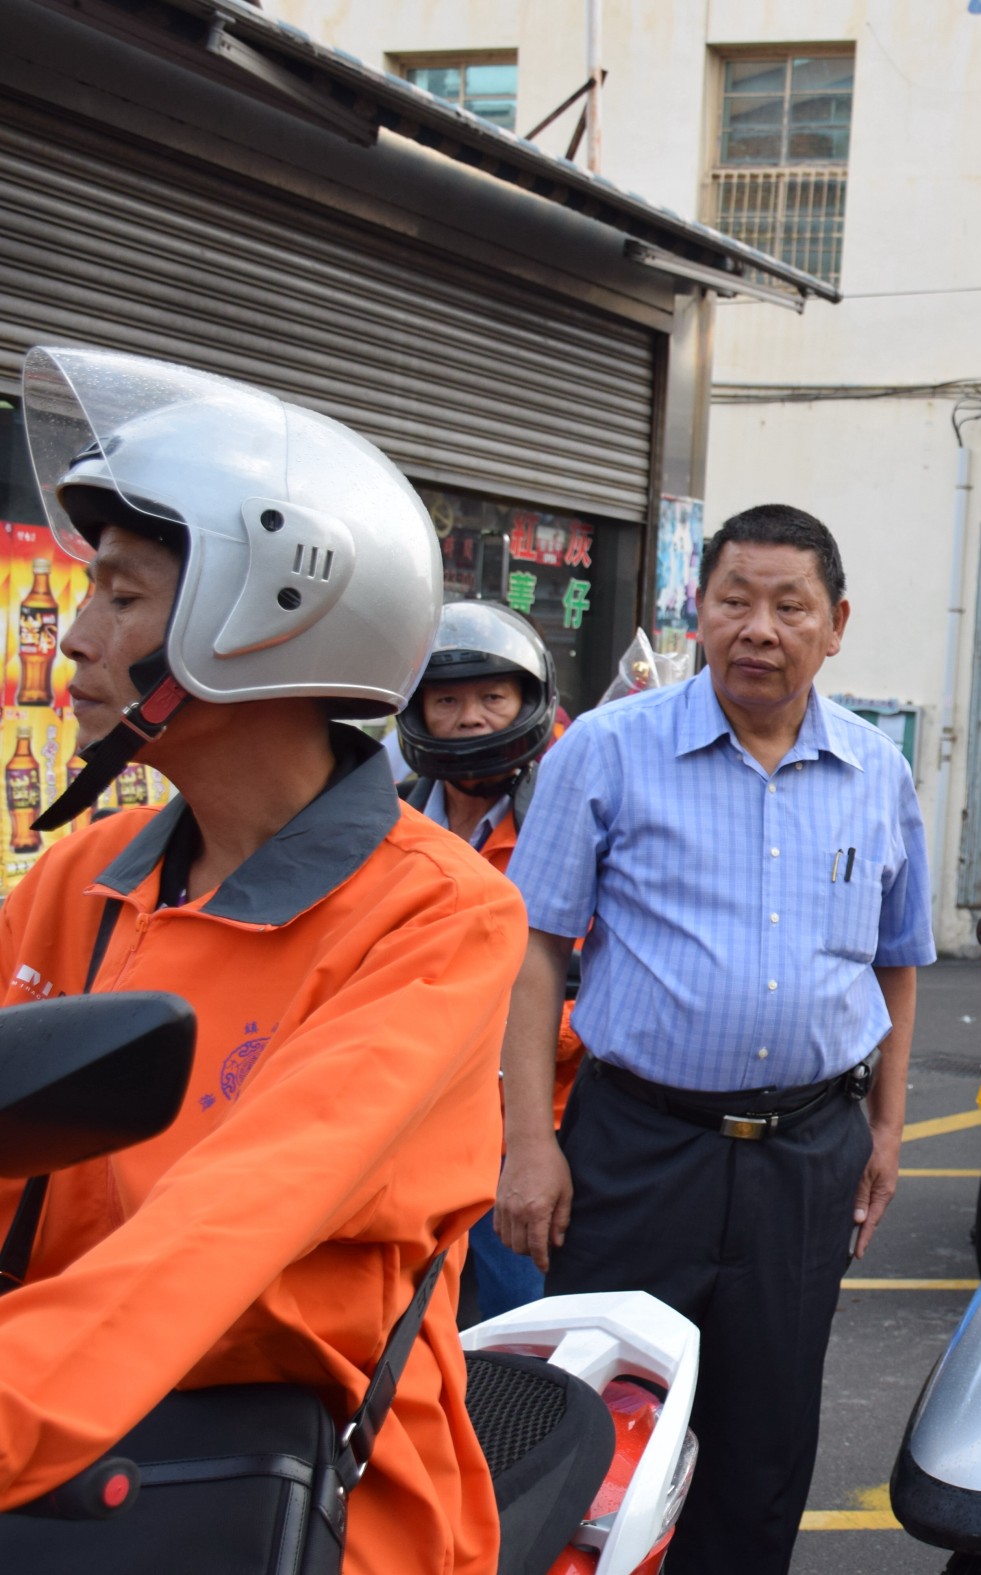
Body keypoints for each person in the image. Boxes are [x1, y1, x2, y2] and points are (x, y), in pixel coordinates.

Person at [0, 349, 516, 1571]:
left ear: (266, 615)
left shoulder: (437, 916)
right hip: (75, 1469)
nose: (76, 638)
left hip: (303, 1495)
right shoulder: (86, 880)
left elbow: (226, 1228)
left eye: (121, 597)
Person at [497, 504, 933, 1573]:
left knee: (762, 1445)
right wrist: (528, 1142)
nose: (759, 628)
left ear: (836, 625)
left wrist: (885, 1131)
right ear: (700, 611)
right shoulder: (607, 750)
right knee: (590, 1433)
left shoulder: (877, 772)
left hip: (807, 1156)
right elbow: (533, 952)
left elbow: (897, 961)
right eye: (735, 600)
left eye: (790, 606)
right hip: (637, 1149)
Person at [394, 599, 581, 1323]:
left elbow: (596, 991)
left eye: (492, 698)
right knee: (401, 1325)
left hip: (527, 1136)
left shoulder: (562, 831)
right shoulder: (388, 828)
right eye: (447, 701)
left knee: (516, 1328)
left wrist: (497, 1032)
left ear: (527, 703)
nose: (471, 718)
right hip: (410, 1123)